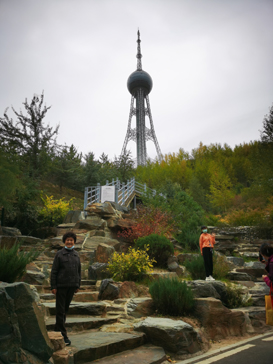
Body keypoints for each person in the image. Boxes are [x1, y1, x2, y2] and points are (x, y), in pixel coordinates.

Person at [51, 232, 81, 346]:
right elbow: (54, 271)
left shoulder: (76, 255)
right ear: (64, 241)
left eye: (71, 240)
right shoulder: (59, 254)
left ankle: (57, 330)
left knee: (65, 310)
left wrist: (77, 285)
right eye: (67, 240)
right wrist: (53, 286)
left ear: (74, 241)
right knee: (60, 310)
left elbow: (79, 271)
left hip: (72, 286)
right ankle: (63, 335)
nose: (69, 242)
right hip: (61, 287)